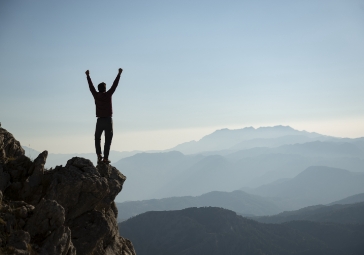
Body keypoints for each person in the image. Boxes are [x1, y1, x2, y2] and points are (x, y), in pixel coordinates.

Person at [85, 68, 123, 164]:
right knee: (108, 140)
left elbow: (91, 87)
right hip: (108, 120)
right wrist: (119, 74)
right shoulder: (108, 94)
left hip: (100, 120)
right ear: (105, 89)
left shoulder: (96, 95)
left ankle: (99, 155)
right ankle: (105, 158)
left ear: (99, 89)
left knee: (97, 138)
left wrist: (88, 76)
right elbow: (115, 85)